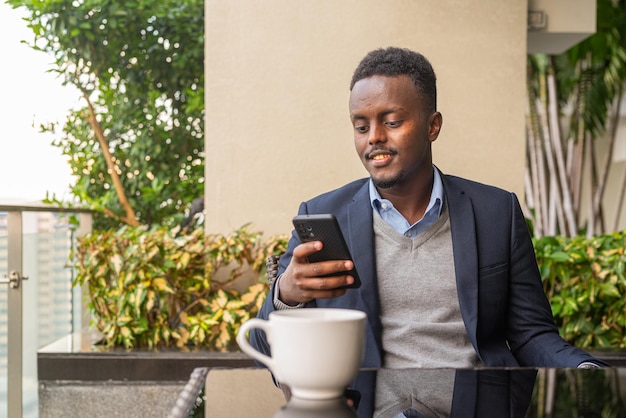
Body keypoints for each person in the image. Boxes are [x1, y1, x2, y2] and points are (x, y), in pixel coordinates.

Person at [250, 47, 607, 371]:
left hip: (479, 404)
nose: (374, 136)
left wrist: (586, 371)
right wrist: (287, 295)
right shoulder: (325, 216)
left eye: (391, 122)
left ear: (432, 126)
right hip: (369, 407)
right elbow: (266, 347)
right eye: (361, 126)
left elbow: (533, 335)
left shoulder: (498, 211)